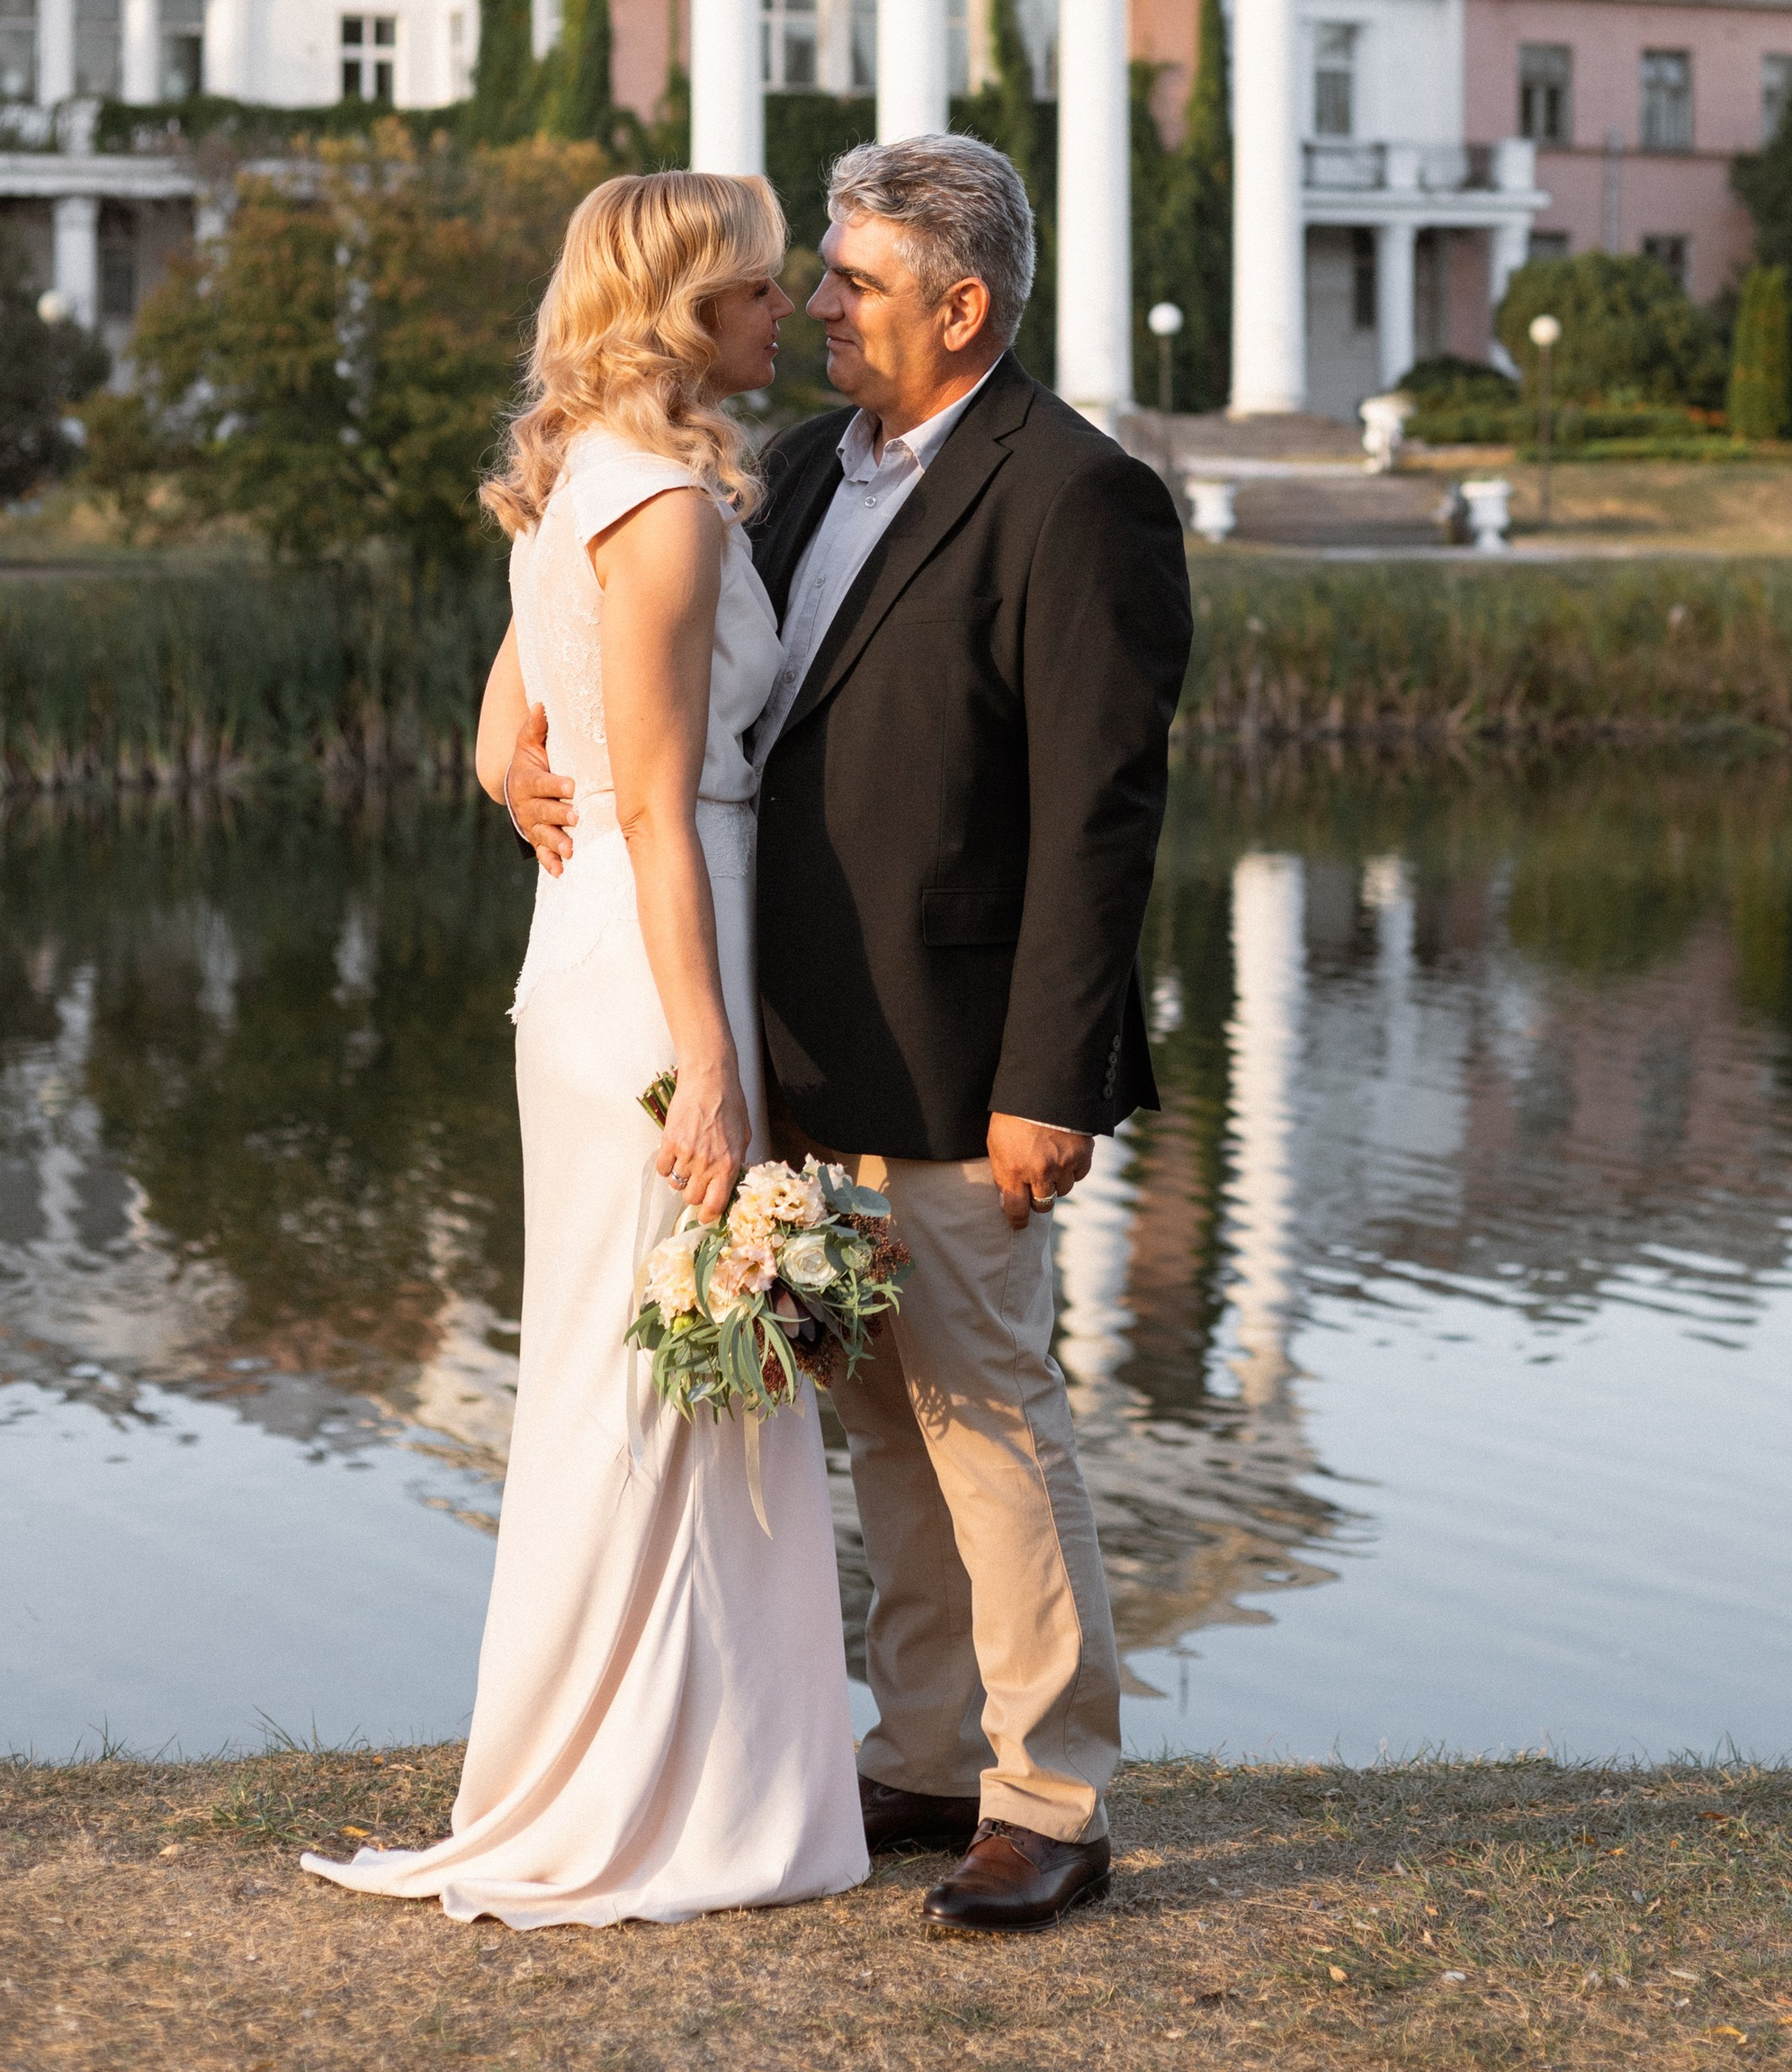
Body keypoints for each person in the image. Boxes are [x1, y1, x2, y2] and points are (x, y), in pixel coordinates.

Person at [509, 134, 1193, 1930]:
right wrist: (510, 731)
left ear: (958, 308)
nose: (813, 302)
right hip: (789, 1040)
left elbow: (1095, 820)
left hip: (970, 1058)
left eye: (855, 282)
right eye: (811, 273)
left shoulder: (1075, 497)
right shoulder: (795, 468)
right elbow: (611, 616)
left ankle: (1048, 1796)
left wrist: (1057, 1081)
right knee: (878, 1408)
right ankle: (922, 1747)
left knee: (990, 1410)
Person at [304, 170, 867, 1928]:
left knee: (615, 1369)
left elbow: (505, 730)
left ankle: (641, 1758)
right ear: (686, 307)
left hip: (592, 950)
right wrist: (711, 1067)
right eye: (765, 291)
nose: (793, 315)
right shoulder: (669, 509)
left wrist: (504, 778)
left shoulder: (575, 485)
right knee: (672, 1372)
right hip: (653, 956)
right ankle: (666, 1790)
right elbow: (639, 785)